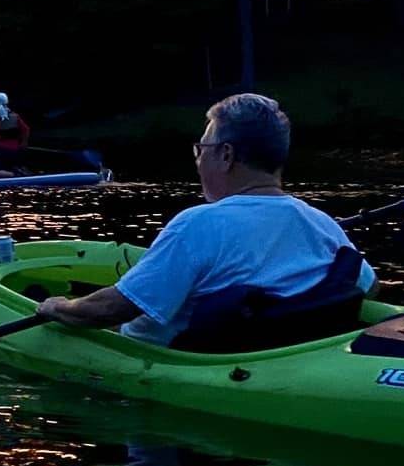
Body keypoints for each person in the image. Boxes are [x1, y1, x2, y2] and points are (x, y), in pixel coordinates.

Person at [34, 93, 376, 349]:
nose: (198, 161)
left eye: (202, 149)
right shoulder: (322, 223)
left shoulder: (196, 225)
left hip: (170, 361)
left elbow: (112, 309)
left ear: (226, 155)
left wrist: (60, 307)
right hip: (281, 354)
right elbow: (368, 286)